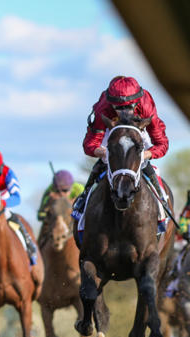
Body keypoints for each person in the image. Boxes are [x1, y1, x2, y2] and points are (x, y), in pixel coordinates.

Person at [72, 76, 169, 229]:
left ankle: (162, 201)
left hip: (138, 130)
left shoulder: (146, 105)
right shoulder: (103, 108)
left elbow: (162, 143)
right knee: (104, 162)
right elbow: (89, 144)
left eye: (128, 107)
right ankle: (84, 198)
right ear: (110, 103)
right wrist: (104, 153)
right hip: (111, 131)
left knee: (140, 161)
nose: (124, 112)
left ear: (137, 101)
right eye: (119, 107)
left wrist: (143, 155)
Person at [36, 169, 84, 249]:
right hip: (54, 222)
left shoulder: (80, 190)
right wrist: (49, 203)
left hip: (76, 219)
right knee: (44, 227)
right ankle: (37, 250)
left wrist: (73, 203)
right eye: (57, 191)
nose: (61, 194)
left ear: (71, 187)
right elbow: (40, 216)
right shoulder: (49, 191)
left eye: (65, 191)